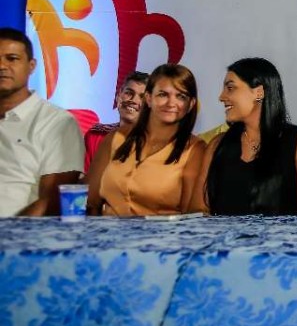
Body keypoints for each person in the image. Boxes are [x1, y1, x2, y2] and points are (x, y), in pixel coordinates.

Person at [191, 58, 297, 215]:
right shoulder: (217, 145)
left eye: (230, 88)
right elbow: (198, 211)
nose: (222, 97)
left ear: (259, 92)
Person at [86, 63, 206, 216]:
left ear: (190, 105)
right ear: (148, 99)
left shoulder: (195, 149)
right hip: (106, 230)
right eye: (163, 94)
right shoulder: (116, 138)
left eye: (180, 96)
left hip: (163, 231)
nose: (171, 103)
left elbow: (192, 216)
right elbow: (89, 201)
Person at [0, 27, 84, 217]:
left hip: (18, 231)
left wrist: (9, 231)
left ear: (31, 65)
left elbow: (52, 201)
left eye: (12, 58)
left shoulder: (57, 123)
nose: (2, 66)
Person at [83, 71, 148, 171]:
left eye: (142, 97)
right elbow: (83, 178)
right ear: (118, 96)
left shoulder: (158, 146)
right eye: (129, 93)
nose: (134, 100)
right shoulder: (96, 135)